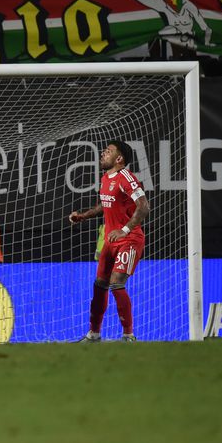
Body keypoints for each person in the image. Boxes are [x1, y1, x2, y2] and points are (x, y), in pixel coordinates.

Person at [69, 140, 150, 342]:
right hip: (110, 241)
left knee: (116, 283)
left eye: (109, 151)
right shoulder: (106, 178)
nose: (103, 153)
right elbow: (104, 205)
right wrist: (84, 216)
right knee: (100, 284)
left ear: (119, 158)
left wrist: (124, 230)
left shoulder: (127, 178)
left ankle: (128, 335)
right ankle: (94, 335)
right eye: (104, 150)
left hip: (129, 239)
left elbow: (144, 206)